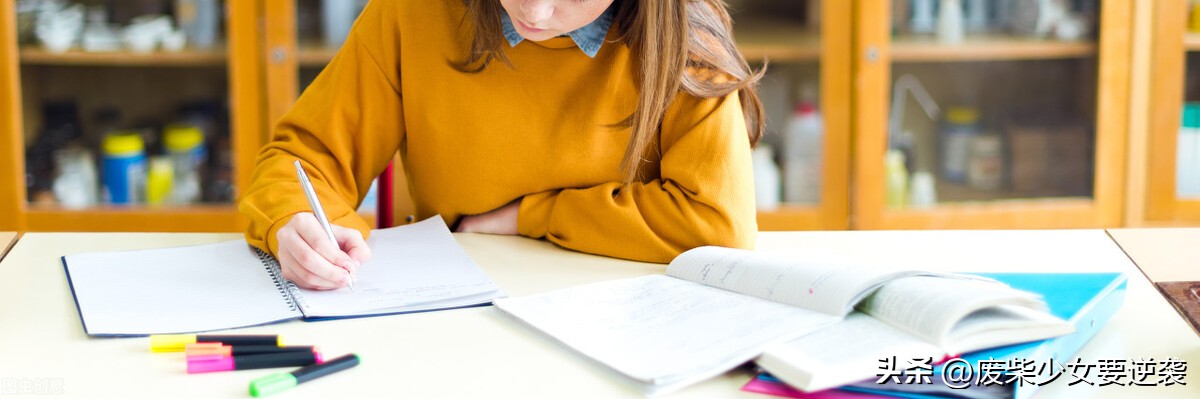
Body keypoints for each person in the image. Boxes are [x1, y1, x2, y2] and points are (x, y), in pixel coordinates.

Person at [239, 0, 766, 290]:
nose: (534, 12)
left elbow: (719, 224)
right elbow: (300, 160)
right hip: (455, 319)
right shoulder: (411, 13)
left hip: (628, 327)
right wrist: (292, 222)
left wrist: (531, 215)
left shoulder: (687, 42)